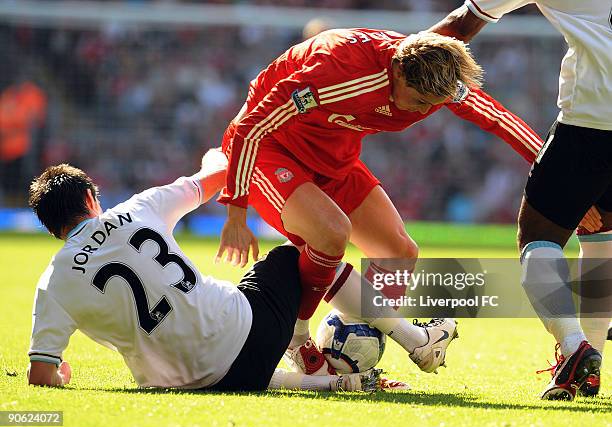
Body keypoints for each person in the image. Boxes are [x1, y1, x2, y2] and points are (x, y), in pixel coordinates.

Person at [215, 28, 547, 374]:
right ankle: (296, 336)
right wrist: (236, 214)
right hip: (272, 150)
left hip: (334, 155)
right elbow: (250, 127)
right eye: (420, 102)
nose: (425, 112)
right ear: (398, 73)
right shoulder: (335, 74)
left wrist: (555, 178)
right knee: (330, 234)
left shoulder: (437, 80)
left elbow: (499, 119)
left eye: (434, 106)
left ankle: (350, 360)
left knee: (399, 252)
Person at [25, 152, 380, 392]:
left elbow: (40, 375)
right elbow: (217, 175)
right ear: (90, 199)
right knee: (304, 249)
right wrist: (217, 153)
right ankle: (402, 336)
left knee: (209, 361)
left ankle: (316, 381)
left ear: (52, 227)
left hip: (189, 383)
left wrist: (60, 376)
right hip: (256, 335)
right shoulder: (138, 209)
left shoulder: (54, 282)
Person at [429, 1, 611, 400]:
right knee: (603, 238)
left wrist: (393, 55)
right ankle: (586, 369)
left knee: (537, 239)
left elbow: (462, 23)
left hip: (593, 122)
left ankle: (575, 348)